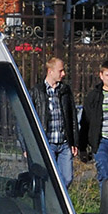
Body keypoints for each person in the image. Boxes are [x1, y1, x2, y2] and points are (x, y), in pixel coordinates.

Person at [29, 57, 78, 187]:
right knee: (48, 179)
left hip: (64, 142)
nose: (64, 74)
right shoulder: (37, 91)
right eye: (60, 71)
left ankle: (60, 203)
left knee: (67, 178)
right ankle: (51, 205)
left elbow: (72, 116)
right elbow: (28, 119)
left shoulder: (65, 91)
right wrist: (26, 145)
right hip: (48, 141)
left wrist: (74, 142)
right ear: (50, 71)